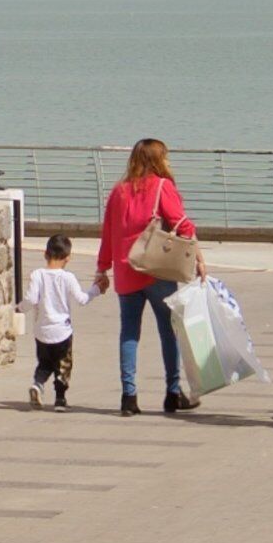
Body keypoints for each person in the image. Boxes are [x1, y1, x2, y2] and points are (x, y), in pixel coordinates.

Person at [96, 137, 204, 416]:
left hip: (125, 269)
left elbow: (108, 232)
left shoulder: (119, 191)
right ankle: (172, 393)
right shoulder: (162, 186)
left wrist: (102, 268)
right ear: (159, 159)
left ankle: (128, 397)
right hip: (157, 269)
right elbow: (182, 224)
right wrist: (199, 257)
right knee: (168, 332)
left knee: (129, 333)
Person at [20, 233, 92, 408]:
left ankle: (37, 384)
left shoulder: (37, 275)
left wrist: (18, 309)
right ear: (68, 258)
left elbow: (30, 300)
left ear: (45, 253)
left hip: (41, 331)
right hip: (62, 332)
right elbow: (82, 299)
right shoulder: (68, 278)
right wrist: (97, 288)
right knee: (63, 366)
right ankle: (60, 399)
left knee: (44, 362)